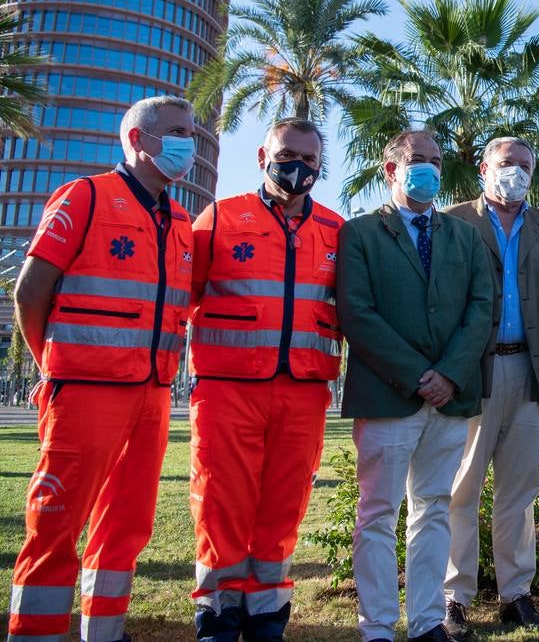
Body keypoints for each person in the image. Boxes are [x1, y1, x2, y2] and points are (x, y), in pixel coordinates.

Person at [8, 96, 196, 642]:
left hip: (153, 392)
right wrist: (53, 365)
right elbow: (30, 292)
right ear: (138, 141)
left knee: (127, 523)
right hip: (87, 391)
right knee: (57, 522)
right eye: (177, 132)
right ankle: (36, 633)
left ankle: (106, 631)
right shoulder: (85, 197)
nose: (190, 142)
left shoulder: (179, 220)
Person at [187, 118, 344, 641]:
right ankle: (218, 614)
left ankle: (266, 616)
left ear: (320, 167)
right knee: (219, 502)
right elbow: (183, 296)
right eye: (287, 154)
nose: (297, 166)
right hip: (226, 389)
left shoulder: (336, 230)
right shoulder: (221, 217)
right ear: (262, 155)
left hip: (303, 392)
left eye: (310, 159)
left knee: (284, 507)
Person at [337, 130, 495, 642]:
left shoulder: (464, 236)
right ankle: (378, 626)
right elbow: (357, 315)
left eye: (435, 160)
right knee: (378, 514)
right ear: (391, 169)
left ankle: (427, 621)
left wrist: (448, 373)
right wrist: (416, 375)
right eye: (416, 160)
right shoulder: (360, 234)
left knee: (434, 508)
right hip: (389, 398)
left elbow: (481, 308)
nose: (428, 168)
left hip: (450, 398)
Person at [444, 137, 539, 632]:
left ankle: (515, 594)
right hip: (470, 374)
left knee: (519, 491)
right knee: (460, 488)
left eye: (525, 166)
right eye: (507, 164)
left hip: (529, 372)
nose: (516, 173)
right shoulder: (454, 220)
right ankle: (453, 596)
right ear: (484, 168)